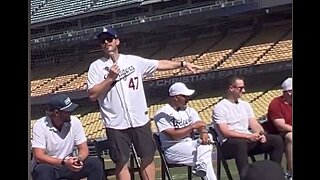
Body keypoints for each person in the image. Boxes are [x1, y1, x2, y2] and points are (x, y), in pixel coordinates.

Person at [86, 27, 202, 180]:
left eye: (109, 39)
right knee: (121, 161)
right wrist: (109, 78)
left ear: (117, 41)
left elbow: (158, 64)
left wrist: (182, 64)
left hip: (139, 118)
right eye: (103, 40)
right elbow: (92, 95)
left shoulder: (132, 61)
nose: (106, 42)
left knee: (147, 155)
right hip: (115, 122)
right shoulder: (96, 67)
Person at [212, 75, 284, 177]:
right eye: (240, 88)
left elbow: (254, 123)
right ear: (231, 88)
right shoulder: (220, 107)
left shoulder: (245, 105)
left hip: (247, 140)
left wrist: (261, 134)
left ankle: (275, 174)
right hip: (229, 144)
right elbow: (225, 132)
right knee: (240, 144)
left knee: (276, 140)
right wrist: (248, 136)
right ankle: (245, 177)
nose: (244, 90)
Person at [31, 94, 105, 180]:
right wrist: (63, 162)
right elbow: (39, 156)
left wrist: (79, 159)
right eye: (67, 111)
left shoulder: (74, 121)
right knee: (43, 170)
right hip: (51, 166)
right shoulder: (40, 125)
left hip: (69, 164)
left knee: (94, 163)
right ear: (56, 113)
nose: (71, 113)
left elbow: (83, 148)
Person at [154, 82, 217, 180]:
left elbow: (200, 124)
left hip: (190, 144)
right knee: (205, 158)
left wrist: (203, 132)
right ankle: (201, 164)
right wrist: (192, 127)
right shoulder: (162, 113)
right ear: (175, 97)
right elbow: (174, 135)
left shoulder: (189, 110)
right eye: (184, 96)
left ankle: (200, 165)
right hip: (172, 149)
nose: (187, 99)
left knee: (209, 138)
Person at [267, 77, 292, 178]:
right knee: (291, 137)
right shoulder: (276, 104)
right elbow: (280, 126)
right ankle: (291, 172)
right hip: (278, 135)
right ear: (287, 92)